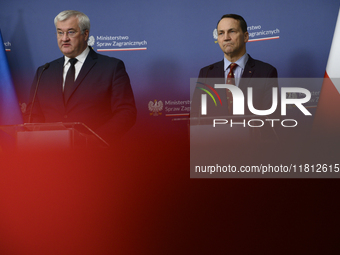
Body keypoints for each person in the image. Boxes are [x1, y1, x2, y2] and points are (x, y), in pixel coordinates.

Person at [24, 10, 136, 145]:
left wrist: (95, 140)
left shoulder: (111, 67)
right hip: (51, 156)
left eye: (71, 32)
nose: (64, 38)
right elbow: (33, 115)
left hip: (95, 155)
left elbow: (126, 112)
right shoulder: (44, 71)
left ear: (85, 34)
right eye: (60, 32)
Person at [196, 14, 278, 117]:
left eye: (232, 31)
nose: (226, 38)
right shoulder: (206, 73)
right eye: (221, 33)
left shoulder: (266, 72)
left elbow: (271, 118)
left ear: (245, 36)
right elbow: (196, 117)